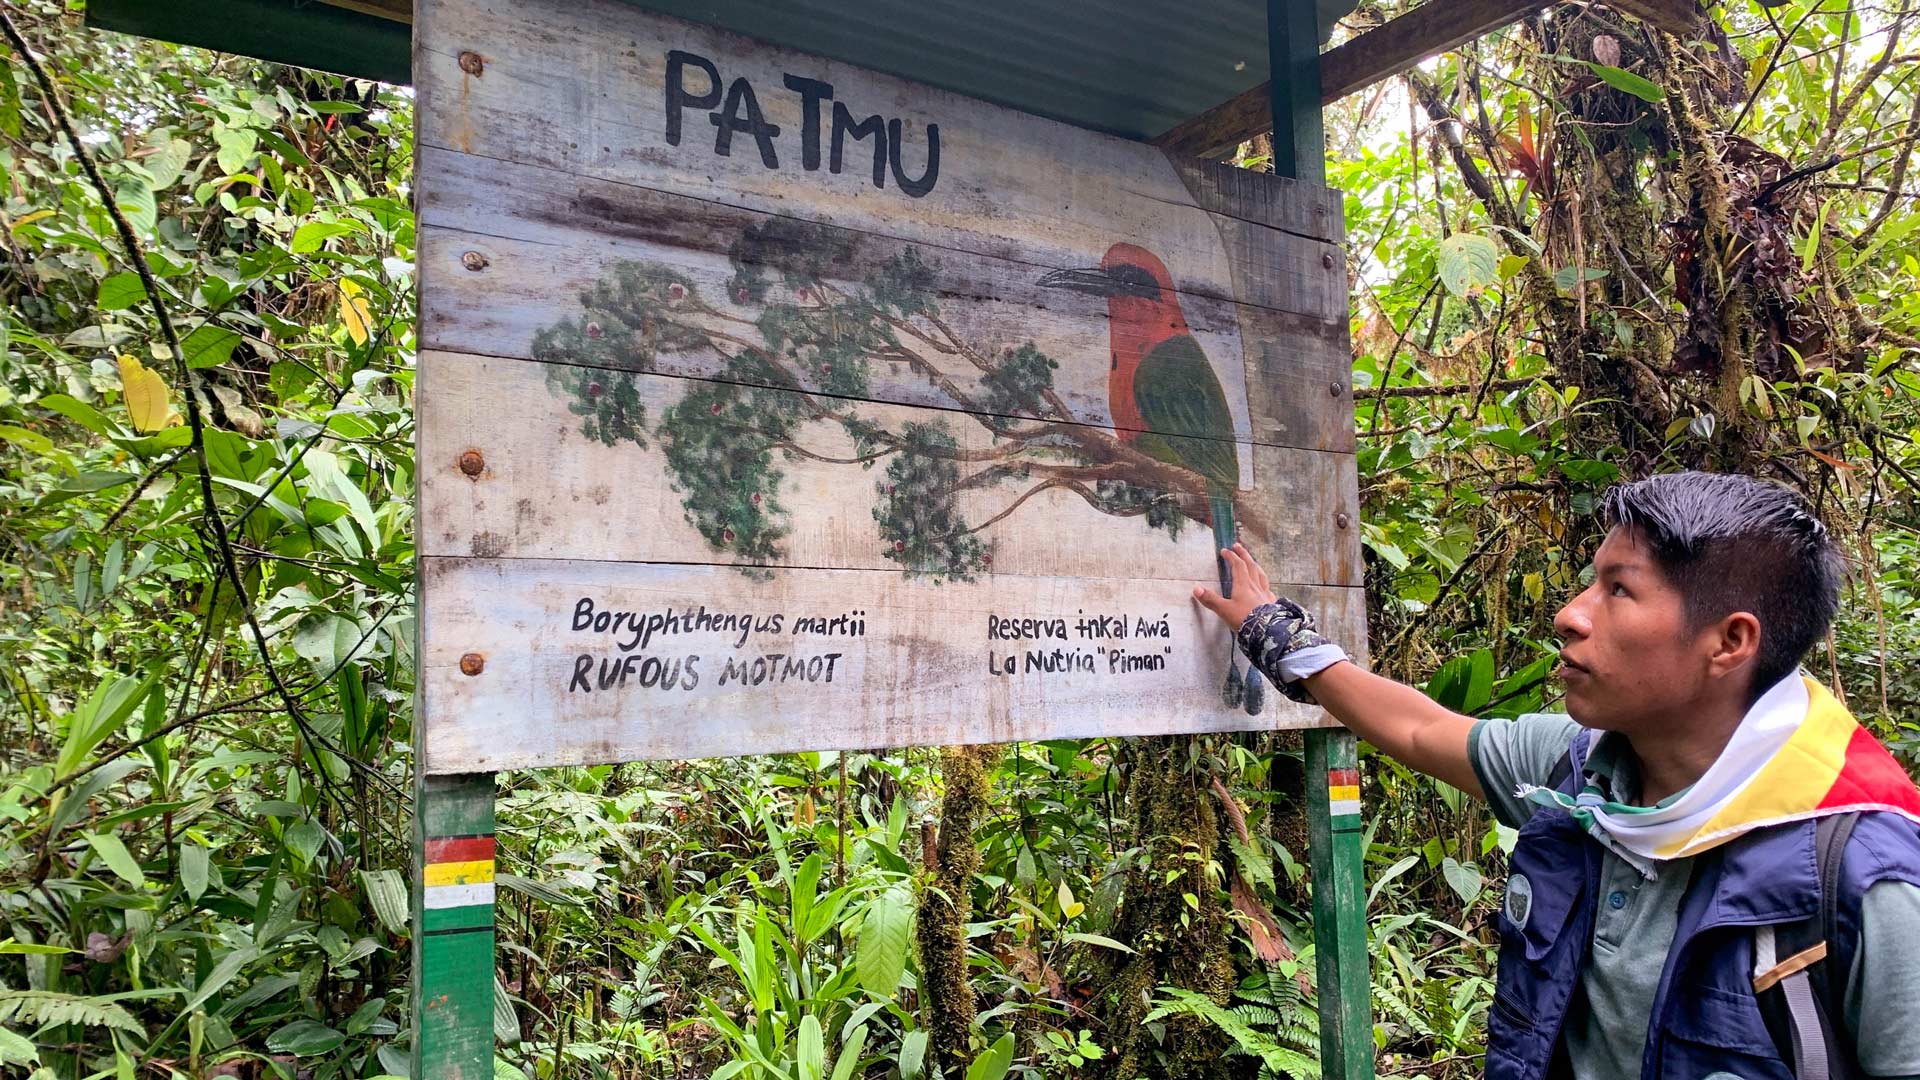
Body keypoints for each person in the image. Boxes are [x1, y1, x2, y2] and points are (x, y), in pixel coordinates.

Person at [1192, 471, 1920, 1080]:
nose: (1571, 616)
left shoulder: (1862, 874)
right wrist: (1278, 635)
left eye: (1619, 590)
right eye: (1589, 584)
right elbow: (1421, 728)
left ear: (1729, 641)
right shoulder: (1579, 771)